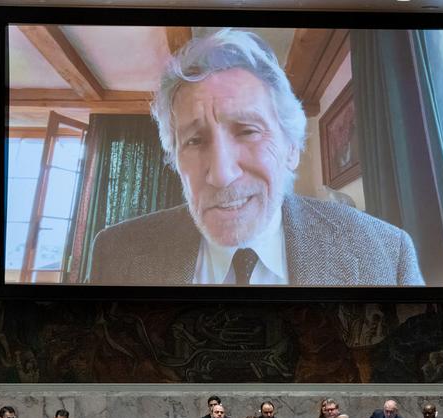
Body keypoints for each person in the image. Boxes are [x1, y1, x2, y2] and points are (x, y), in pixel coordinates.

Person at [89, 28, 423, 287]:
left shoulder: (386, 255)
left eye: (248, 131)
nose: (222, 174)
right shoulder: (117, 254)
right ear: (175, 159)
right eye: (193, 140)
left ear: (291, 148)